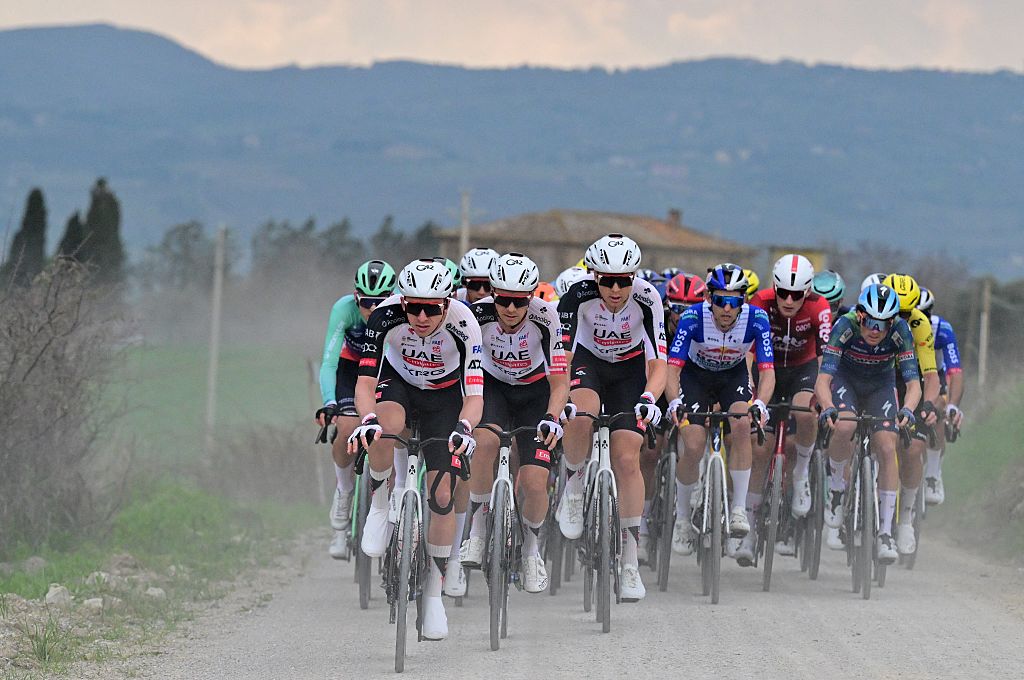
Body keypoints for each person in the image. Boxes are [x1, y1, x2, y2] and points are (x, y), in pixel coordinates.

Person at [348, 258, 484, 640]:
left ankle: (434, 594)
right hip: (399, 385)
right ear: (403, 301)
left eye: (431, 309)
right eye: (414, 307)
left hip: (444, 398)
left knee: (442, 494)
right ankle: (379, 505)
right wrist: (367, 418)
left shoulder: (465, 323)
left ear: (447, 303)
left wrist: (465, 427)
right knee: (383, 427)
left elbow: (475, 395)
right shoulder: (385, 315)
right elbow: (364, 384)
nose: (422, 317)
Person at [557, 233, 667, 601]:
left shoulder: (648, 298)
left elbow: (659, 362)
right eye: (607, 281)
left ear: (634, 276)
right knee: (581, 415)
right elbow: (563, 359)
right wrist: (561, 398)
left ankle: (631, 561)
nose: (616, 289)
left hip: (630, 372)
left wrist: (650, 397)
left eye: (624, 280)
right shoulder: (577, 296)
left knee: (627, 457)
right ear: (594, 276)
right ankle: (574, 486)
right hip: (588, 364)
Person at [461, 253, 569, 593]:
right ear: (492, 293)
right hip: (492, 389)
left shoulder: (546, 316)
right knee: (485, 444)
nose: (510, 308)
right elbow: (462, 372)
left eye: (519, 301)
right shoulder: (476, 315)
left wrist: (552, 417)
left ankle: (532, 551)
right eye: (503, 300)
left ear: (531, 297)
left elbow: (560, 379)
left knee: (536, 482)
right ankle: (478, 531)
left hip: (533, 393)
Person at [665, 264, 774, 558]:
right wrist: (674, 401)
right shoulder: (692, 318)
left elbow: (767, 371)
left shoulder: (757, 319)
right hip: (695, 378)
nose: (727, 309)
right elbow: (672, 369)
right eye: (720, 300)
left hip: (732, 377)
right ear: (708, 298)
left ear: (744, 301)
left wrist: (761, 403)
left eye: (734, 301)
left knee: (742, 425)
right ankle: (683, 517)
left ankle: (738, 508)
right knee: (693, 444)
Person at [815, 283, 920, 564]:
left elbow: (913, 384)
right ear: (859, 315)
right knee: (845, 426)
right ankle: (837, 489)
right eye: (869, 322)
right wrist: (827, 407)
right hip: (846, 381)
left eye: (882, 324)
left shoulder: (901, 331)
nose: (875, 330)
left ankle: (885, 532)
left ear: (892, 322)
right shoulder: (844, 325)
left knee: (887, 446)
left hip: (880, 386)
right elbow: (823, 380)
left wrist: (908, 410)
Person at [745, 255, 831, 563]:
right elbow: (748, 352)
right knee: (759, 451)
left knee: (805, 410)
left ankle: (801, 473)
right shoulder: (761, 302)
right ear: (774, 287)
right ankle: (749, 529)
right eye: (783, 293)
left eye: (797, 295)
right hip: (767, 371)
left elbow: (824, 358)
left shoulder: (819, 307)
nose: (789, 301)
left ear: (808, 291)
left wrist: (822, 394)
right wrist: (749, 388)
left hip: (802, 370)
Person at [314, 260, 396, 558]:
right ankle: (345, 490)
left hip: (383, 372)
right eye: (366, 302)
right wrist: (329, 403)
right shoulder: (344, 309)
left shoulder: (400, 310)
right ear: (355, 296)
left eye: (380, 302)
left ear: (392, 297)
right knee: (347, 428)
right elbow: (329, 362)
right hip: (350, 372)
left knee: (389, 432)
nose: (372, 309)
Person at [882, 273, 940, 555]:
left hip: (908, 381)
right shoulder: (872, 317)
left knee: (914, 447)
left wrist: (928, 404)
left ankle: (905, 519)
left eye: (907, 313)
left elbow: (930, 375)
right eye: (897, 313)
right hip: (876, 377)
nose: (902, 319)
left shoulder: (919, 324)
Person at [918, 287, 965, 504]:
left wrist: (953, 405)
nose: (920, 320)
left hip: (933, 379)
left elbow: (955, 372)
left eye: (925, 314)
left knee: (938, 410)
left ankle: (933, 474)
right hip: (904, 378)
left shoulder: (941, 329)